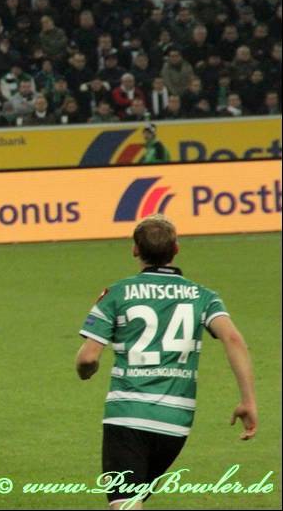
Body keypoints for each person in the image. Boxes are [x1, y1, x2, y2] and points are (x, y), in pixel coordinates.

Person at [75, 215, 257, 509]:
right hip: (176, 422)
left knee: (125, 501)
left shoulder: (116, 294)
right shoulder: (204, 297)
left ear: (135, 249)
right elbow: (233, 339)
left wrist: (86, 371)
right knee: (133, 498)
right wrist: (248, 400)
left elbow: (87, 357)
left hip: (128, 415)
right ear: (176, 249)